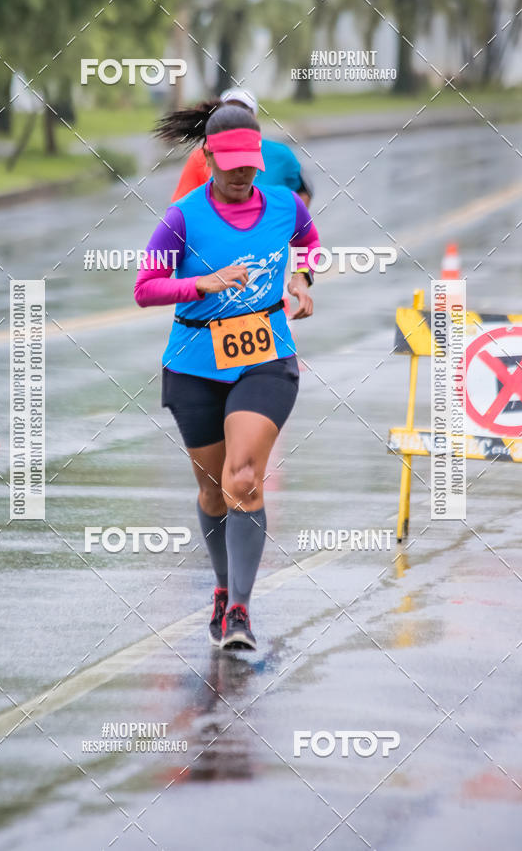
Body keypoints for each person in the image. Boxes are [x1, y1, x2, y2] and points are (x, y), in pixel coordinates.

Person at [135, 103, 320, 651]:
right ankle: (221, 589)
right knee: (213, 492)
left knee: (243, 478)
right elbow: (145, 288)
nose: (243, 174)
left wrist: (304, 279)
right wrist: (204, 283)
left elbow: (307, 243)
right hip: (194, 364)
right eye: (232, 163)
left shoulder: (286, 205)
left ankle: (239, 609)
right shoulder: (183, 218)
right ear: (209, 157)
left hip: (266, 357)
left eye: (250, 163)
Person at [166, 88, 313, 206]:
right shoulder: (201, 157)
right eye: (229, 110)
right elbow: (180, 206)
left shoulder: (281, 154)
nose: (236, 117)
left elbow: (304, 190)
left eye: (244, 110)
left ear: (254, 117)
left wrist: (287, 228)